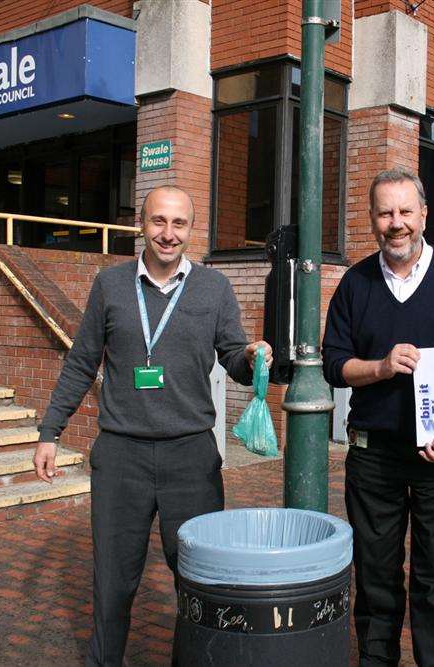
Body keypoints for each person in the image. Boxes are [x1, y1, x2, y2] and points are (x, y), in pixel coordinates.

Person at [32, 185, 271, 666]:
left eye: (178, 223)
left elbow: (231, 356)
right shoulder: (111, 285)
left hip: (191, 456)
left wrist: (249, 356)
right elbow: (81, 362)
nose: (168, 233)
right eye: (158, 222)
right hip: (122, 455)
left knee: (199, 579)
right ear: (141, 224)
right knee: (114, 583)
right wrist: (49, 433)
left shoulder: (214, 287)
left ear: (190, 229)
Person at [322, 167, 434, 666]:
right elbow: (334, 364)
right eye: (385, 213)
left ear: (424, 214)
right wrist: (380, 367)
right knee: (376, 581)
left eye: (405, 211)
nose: (395, 223)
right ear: (373, 219)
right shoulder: (356, 283)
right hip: (373, 458)